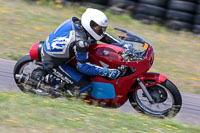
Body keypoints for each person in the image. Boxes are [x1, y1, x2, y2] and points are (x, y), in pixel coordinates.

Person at [41, 8, 121, 91]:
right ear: (90, 24)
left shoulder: (80, 24)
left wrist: (122, 44)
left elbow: (103, 36)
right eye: (98, 28)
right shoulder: (81, 42)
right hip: (55, 63)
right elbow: (83, 67)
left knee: (92, 46)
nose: (100, 31)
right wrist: (107, 72)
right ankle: (55, 84)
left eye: (102, 28)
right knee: (85, 87)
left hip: (60, 50)